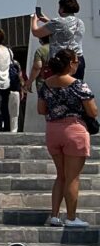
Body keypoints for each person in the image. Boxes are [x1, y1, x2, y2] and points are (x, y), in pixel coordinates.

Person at [35, 47, 96, 228]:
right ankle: (71, 217)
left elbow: (41, 110)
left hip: (53, 130)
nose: (77, 65)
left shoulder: (46, 84)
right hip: (74, 130)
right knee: (72, 177)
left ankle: (54, 216)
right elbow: (93, 111)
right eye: (76, 62)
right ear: (70, 64)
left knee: (60, 175)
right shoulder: (78, 85)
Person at [34, 0, 84, 78]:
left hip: (63, 62)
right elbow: (66, 29)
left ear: (62, 8)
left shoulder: (57, 22)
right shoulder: (80, 22)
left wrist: (34, 20)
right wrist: (48, 21)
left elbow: (36, 32)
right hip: (78, 59)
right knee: (76, 87)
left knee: (61, 88)